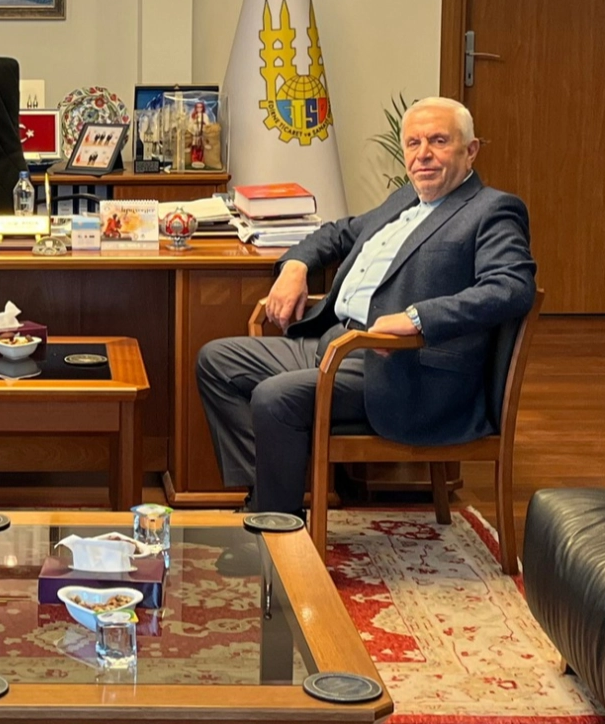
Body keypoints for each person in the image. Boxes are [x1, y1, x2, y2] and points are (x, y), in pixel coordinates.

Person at [196, 97, 536, 514]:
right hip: (335, 340)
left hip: (402, 366)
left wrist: (418, 319)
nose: (423, 154)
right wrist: (295, 266)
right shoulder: (405, 200)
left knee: (275, 397)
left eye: (438, 141)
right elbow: (338, 233)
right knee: (217, 361)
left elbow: (511, 286)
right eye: (413, 143)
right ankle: (268, 492)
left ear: (471, 151)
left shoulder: (492, 210)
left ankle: (275, 524)